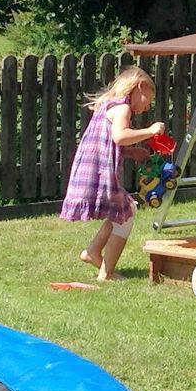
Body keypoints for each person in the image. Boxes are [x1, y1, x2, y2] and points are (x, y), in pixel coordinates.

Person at [61, 65, 166, 281]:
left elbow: (108, 142)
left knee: (119, 212)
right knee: (127, 211)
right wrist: (150, 131)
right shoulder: (123, 108)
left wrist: (130, 152)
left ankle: (92, 252)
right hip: (98, 171)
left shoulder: (109, 105)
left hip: (91, 167)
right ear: (140, 86)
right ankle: (106, 273)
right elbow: (119, 136)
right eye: (148, 100)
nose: (147, 108)